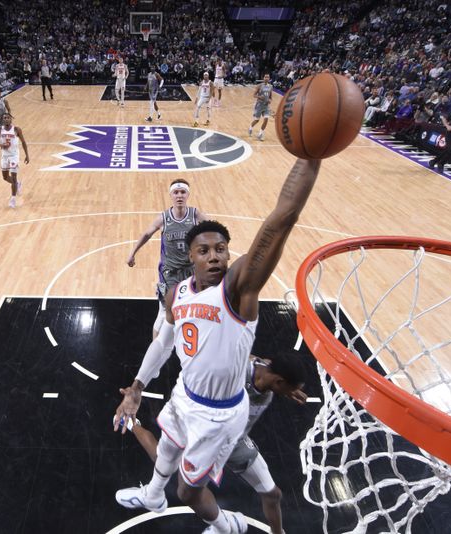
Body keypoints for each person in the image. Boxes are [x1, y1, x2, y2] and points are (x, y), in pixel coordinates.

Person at [114, 158, 323, 534]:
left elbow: (279, 222)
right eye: (204, 250)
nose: (214, 256)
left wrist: (310, 157)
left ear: (230, 254)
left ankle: (231, 526)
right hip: (185, 394)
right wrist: (136, 389)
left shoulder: (239, 292)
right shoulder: (176, 292)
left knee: (190, 493)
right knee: (166, 448)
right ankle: (152, 496)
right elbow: (162, 345)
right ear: (190, 255)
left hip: (219, 415)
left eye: (221, 249)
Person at [124, 352, 308, 534]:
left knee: (273, 495)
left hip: (235, 442)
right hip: (204, 434)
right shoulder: (234, 372)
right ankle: (132, 424)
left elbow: (256, 358)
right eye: (291, 389)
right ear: (279, 381)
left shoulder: (268, 372)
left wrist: (289, 390)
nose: (293, 394)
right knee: (164, 463)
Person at [127, 179, 208, 339]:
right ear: (171, 195)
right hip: (168, 274)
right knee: (164, 312)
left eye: (183, 192)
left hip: (190, 272)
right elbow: (146, 234)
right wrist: (133, 252)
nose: (179, 195)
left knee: (192, 309)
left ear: (188, 194)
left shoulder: (195, 215)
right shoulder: (164, 218)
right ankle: (155, 350)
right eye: (176, 192)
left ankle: (189, 345)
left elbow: (213, 229)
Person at [0, 113, 30, 208]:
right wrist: (2, 145)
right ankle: (17, 184)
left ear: (11, 119)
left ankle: (13, 199)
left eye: (8, 118)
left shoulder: (16, 129)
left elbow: (23, 142)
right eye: (4, 118)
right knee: (5, 177)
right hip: (4, 156)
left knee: (13, 177)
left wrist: (27, 155)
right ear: (3, 120)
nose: (6, 119)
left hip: (14, 156)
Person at [249, 74, 273, 141]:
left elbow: (271, 97)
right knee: (257, 120)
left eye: (268, 77)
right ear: (263, 78)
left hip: (266, 106)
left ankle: (260, 134)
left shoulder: (271, 86)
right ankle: (250, 127)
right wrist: (259, 97)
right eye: (265, 77)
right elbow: (254, 95)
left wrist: (270, 101)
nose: (266, 78)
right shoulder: (259, 86)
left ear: (269, 78)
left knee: (266, 119)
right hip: (259, 105)